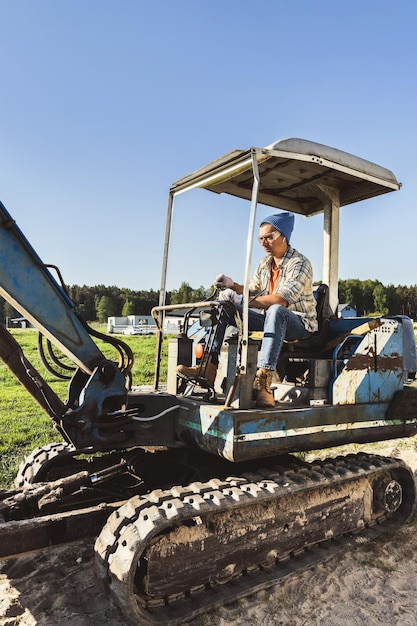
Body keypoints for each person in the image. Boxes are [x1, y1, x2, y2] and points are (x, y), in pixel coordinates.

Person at [177, 212, 318, 407]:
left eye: (269, 237)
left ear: (284, 237)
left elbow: (280, 300)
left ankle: (264, 383)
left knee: (276, 310)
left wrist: (243, 299)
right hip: (270, 319)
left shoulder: (300, 263)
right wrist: (232, 286)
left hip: (299, 323)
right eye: (261, 238)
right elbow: (252, 292)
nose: (263, 242)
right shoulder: (264, 264)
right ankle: (209, 367)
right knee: (225, 307)